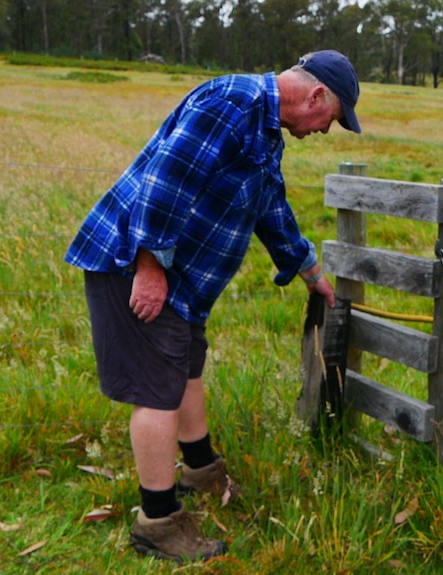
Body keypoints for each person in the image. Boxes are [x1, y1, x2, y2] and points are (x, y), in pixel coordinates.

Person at [64, 49, 361, 563]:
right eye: (330, 120)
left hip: (181, 280)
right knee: (158, 391)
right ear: (315, 96)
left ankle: (200, 471)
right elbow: (166, 179)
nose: (323, 131)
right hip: (136, 265)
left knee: (186, 370)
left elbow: (271, 206)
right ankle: (156, 522)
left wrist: (309, 271)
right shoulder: (233, 102)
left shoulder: (264, 129)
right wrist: (151, 266)